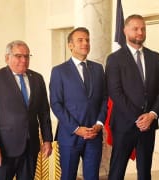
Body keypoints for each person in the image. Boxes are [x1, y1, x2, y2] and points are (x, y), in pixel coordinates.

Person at [105, 14, 159, 180]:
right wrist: (139, 119)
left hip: (149, 125)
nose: (140, 32)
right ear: (125, 30)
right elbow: (115, 92)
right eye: (136, 28)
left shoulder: (155, 57)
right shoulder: (114, 59)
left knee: (145, 172)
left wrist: (152, 115)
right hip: (124, 126)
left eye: (143, 29)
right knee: (117, 172)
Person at [0, 40, 53, 180]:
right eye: (18, 56)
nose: (23, 60)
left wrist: (47, 139)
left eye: (27, 56)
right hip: (3, 149)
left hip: (30, 147)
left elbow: (44, 112)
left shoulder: (37, 79)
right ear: (7, 58)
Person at [49, 27, 108, 180]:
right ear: (70, 45)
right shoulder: (59, 71)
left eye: (87, 40)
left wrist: (100, 123)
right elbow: (56, 103)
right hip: (70, 136)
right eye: (80, 40)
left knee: (92, 176)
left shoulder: (98, 69)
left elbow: (104, 99)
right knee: (68, 176)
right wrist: (76, 128)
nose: (85, 43)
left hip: (94, 135)